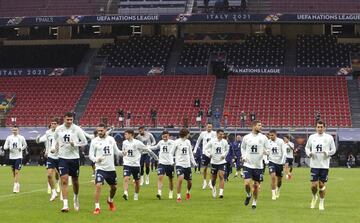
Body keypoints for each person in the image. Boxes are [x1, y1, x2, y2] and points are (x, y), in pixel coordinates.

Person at [51, 112, 87, 212]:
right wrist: (53, 147)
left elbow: (85, 141)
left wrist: (75, 144)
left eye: (71, 120)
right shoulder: (59, 129)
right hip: (62, 158)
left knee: (75, 181)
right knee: (64, 180)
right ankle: (65, 205)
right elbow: (54, 139)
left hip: (74, 158)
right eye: (68, 119)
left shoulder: (77, 129)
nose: (69, 121)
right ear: (64, 119)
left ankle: (75, 198)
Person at [89, 123, 121, 215]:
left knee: (114, 188)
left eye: (101, 130)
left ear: (106, 130)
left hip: (111, 168)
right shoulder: (94, 141)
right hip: (100, 168)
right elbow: (91, 155)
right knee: (98, 185)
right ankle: (97, 207)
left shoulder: (111, 139)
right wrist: (96, 159)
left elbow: (117, 152)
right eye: (98, 130)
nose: (99, 132)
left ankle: (110, 200)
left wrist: (123, 153)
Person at [305, 120, 336, 211]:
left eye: (321, 127)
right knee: (314, 185)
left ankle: (321, 202)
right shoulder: (312, 137)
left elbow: (333, 149)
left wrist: (328, 153)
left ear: (324, 127)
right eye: (318, 127)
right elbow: (306, 147)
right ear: (316, 127)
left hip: (324, 165)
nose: (320, 128)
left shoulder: (329, 137)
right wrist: (309, 153)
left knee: (321, 185)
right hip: (314, 164)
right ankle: (314, 197)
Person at [121, 129, 158, 201]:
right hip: (127, 164)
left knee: (137, 182)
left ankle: (136, 195)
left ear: (131, 134)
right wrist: (123, 153)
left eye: (126, 134)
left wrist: (155, 157)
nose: (124, 135)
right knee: (126, 178)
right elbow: (123, 151)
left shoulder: (137, 143)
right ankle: (125, 193)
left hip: (136, 165)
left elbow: (147, 149)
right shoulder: (124, 142)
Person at [241, 120, 270, 209]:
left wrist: (266, 152)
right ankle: (249, 194)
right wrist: (244, 156)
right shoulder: (246, 137)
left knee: (256, 186)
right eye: (259, 125)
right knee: (246, 184)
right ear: (253, 126)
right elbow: (243, 148)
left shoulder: (263, 138)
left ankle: (254, 202)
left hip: (258, 165)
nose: (261, 127)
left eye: (261, 125)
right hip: (248, 164)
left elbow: (268, 148)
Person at [36, 118, 61, 201]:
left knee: (61, 175)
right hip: (51, 156)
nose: (53, 125)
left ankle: (61, 191)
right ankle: (54, 192)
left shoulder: (61, 131)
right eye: (52, 123)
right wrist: (38, 139)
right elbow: (43, 140)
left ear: (58, 124)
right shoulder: (48, 132)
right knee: (49, 175)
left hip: (60, 156)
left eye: (55, 123)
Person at [149, 130, 175, 200]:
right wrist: (148, 147)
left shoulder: (173, 142)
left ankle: (171, 192)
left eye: (166, 136)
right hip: (161, 163)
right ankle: (159, 192)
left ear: (168, 136)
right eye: (163, 136)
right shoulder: (160, 142)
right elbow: (155, 147)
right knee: (160, 177)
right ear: (162, 136)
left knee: (171, 179)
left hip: (170, 163)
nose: (165, 137)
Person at [173, 128, 196, 202]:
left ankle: (188, 192)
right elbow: (171, 152)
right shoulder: (176, 142)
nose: (189, 135)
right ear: (186, 134)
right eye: (188, 133)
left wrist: (193, 162)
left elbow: (190, 153)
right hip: (179, 164)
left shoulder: (188, 142)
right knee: (180, 179)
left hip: (187, 164)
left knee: (189, 182)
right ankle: (178, 196)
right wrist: (172, 161)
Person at [204, 129, 229, 198]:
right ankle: (214, 187)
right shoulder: (212, 141)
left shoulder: (225, 142)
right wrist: (209, 155)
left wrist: (224, 155)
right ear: (217, 134)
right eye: (220, 134)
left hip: (222, 162)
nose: (221, 135)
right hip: (214, 162)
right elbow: (205, 149)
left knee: (221, 175)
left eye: (222, 134)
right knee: (213, 178)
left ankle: (221, 193)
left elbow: (227, 149)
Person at [3, 125, 27, 193]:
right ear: (12, 130)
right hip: (11, 157)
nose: (14, 131)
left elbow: (25, 145)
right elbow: (5, 146)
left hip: (19, 157)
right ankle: (17, 183)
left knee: (17, 172)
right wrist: (7, 148)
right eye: (13, 130)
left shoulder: (21, 137)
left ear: (18, 130)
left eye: (16, 130)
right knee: (13, 172)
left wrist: (21, 148)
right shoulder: (9, 137)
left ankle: (15, 186)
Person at [193, 123, 217, 190]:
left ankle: (210, 182)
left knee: (212, 168)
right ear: (206, 127)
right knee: (205, 168)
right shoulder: (203, 133)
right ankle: (204, 182)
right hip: (204, 153)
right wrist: (195, 150)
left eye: (210, 127)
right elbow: (198, 141)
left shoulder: (214, 133)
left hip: (212, 153)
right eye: (208, 127)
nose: (209, 128)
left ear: (212, 127)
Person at [268, 130, 286, 200]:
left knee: (279, 180)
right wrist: (266, 159)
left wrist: (282, 161)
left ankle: (278, 189)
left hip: (279, 163)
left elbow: (284, 152)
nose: (271, 136)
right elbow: (266, 150)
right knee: (273, 177)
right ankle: (273, 194)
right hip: (271, 161)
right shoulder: (268, 142)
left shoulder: (281, 141)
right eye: (270, 135)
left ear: (275, 135)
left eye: (272, 135)